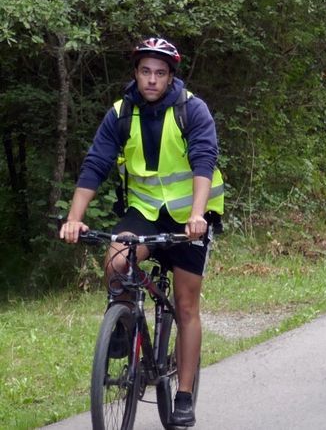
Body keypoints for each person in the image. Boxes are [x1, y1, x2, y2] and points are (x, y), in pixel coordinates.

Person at [59, 37, 225, 428]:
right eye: (145, 71)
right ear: (135, 74)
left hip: (189, 217)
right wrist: (74, 217)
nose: (152, 79)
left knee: (185, 306)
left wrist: (197, 215)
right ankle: (122, 322)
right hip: (145, 213)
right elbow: (95, 165)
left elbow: (204, 162)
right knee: (117, 261)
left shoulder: (192, 111)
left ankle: (183, 394)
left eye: (160, 73)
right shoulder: (120, 113)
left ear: (171, 77)